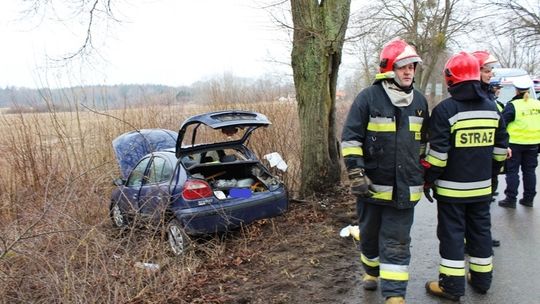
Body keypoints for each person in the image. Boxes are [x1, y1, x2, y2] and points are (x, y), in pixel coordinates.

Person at [341, 38, 429, 304]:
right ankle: (371, 271)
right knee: (369, 236)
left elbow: (423, 144)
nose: (408, 72)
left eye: (412, 67)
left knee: (397, 241)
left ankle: (394, 295)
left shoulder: (420, 102)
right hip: (371, 188)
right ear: (389, 68)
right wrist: (356, 174)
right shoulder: (368, 98)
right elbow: (351, 138)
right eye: (403, 67)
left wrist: (425, 174)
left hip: (405, 190)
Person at [423, 52, 509, 301]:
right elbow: (501, 149)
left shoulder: (445, 110)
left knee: (452, 235)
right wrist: (491, 174)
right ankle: (482, 281)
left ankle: (451, 287)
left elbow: (438, 156)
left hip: (451, 191)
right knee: (480, 232)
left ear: (450, 79)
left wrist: (428, 179)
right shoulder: (492, 108)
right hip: (482, 189)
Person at [471, 50, 503, 247]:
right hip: (479, 159)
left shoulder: (487, 94)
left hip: (488, 157)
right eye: (487, 69)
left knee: (484, 203)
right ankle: (476, 241)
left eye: (491, 69)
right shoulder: (478, 96)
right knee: (477, 205)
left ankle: (480, 238)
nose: (491, 73)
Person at [498, 78, 540, 208]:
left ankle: (511, 199)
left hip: (515, 144)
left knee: (512, 171)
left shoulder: (513, 105)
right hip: (533, 143)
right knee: (529, 171)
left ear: (516, 90)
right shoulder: (537, 104)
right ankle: (528, 199)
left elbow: (502, 123)